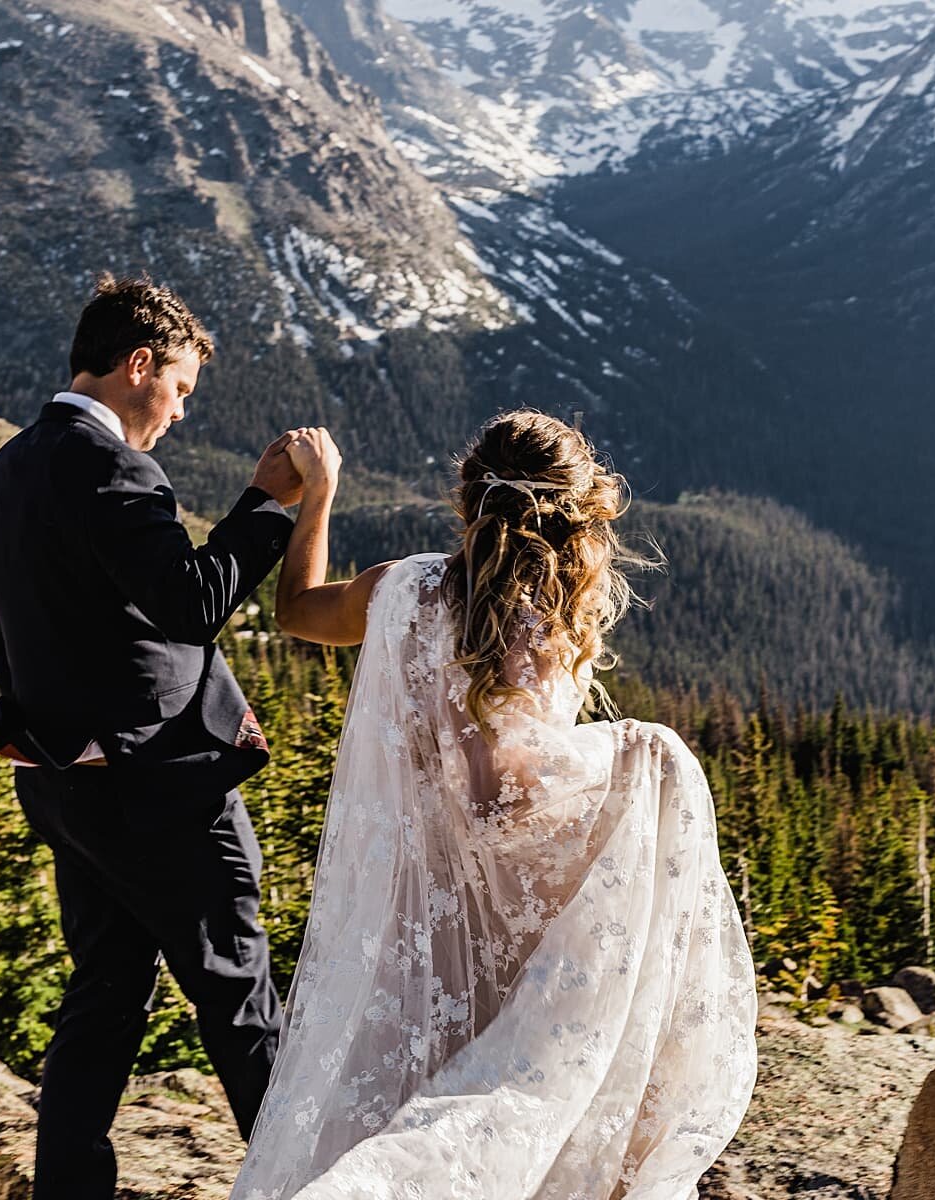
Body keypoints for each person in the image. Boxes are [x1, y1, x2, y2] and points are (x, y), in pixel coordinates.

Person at [231, 409, 758, 1199]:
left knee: (403, 1105)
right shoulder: (531, 628)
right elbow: (497, 799)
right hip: (510, 924)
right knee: (484, 1130)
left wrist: (320, 495)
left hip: (414, 916)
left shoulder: (395, 588)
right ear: (578, 520)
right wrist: (639, 759)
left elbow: (296, 608)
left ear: (466, 503)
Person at [0, 273, 327, 1199]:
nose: (180, 413)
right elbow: (193, 604)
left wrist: (62, 746)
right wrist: (268, 501)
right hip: (160, 791)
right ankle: (299, 1185)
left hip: (66, 785)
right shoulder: (113, 466)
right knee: (238, 994)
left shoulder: (0, 473)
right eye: (182, 389)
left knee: (106, 995)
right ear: (137, 365)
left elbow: (3, 639)